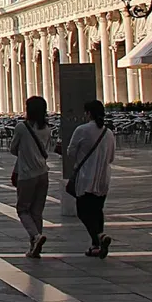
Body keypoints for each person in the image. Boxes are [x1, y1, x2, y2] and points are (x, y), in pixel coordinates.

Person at [64, 99, 116, 258]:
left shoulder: (82, 130)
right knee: (97, 210)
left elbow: (71, 152)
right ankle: (96, 245)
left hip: (86, 177)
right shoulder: (108, 133)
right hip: (103, 178)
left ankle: (99, 237)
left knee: (83, 211)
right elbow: (112, 157)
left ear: (88, 113)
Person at [11, 96, 53, 258]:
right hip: (43, 173)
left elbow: (13, 149)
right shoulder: (47, 128)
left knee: (22, 209)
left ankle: (35, 237)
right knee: (37, 211)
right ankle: (35, 246)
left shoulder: (22, 127)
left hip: (27, 174)